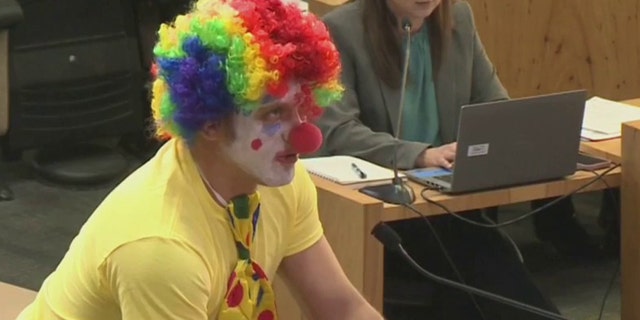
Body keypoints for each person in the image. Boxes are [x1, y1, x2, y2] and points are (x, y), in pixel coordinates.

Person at [17, 0, 382, 319]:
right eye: (274, 114)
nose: (305, 133)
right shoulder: (162, 247)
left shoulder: (283, 182)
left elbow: (342, 309)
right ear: (210, 122)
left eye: (301, 106)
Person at [317, 0, 577, 319]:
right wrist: (420, 154)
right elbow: (336, 130)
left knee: (477, 263)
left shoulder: (459, 17)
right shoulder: (342, 28)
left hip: (448, 197)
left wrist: (503, 142)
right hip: (385, 204)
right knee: (479, 261)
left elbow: (492, 102)